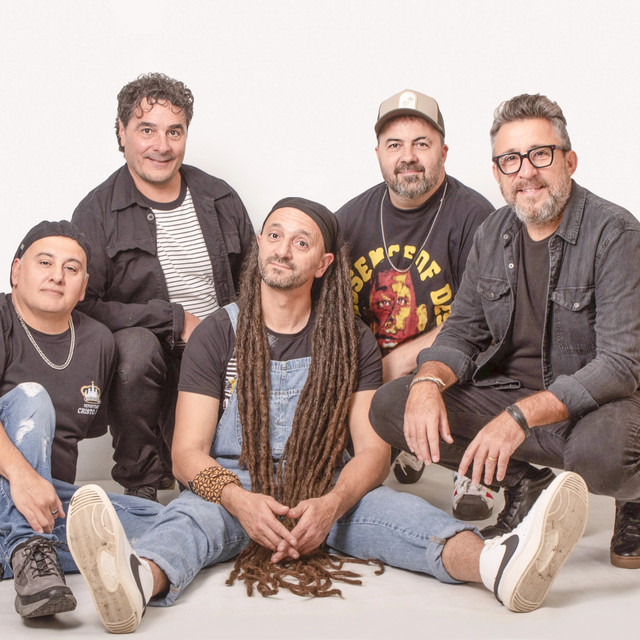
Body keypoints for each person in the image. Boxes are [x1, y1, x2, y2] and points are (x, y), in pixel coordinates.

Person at [65, 198, 588, 634]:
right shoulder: (217, 333)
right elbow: (186, 454)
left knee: (406, 517)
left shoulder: (350, 339)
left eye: (301, 242)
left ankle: (498, 566)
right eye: (274, 235)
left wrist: (333, 504)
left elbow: (373, 452)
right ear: (259, 246)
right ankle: (136, 583)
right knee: (189, 521)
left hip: (326, 485)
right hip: (235, 485)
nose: (282, 249)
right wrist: (239, 501)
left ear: (323, 264)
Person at [370, 93, 640, 569]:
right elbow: (462, 331)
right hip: (513, 396)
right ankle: (524, 484)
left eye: (540, 154)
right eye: (510, 160)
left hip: (597, 406)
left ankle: (633, 497)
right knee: (393, 403)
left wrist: (518, 417)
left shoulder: (615, 233)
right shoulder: (493, 233)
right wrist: (428, 382)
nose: (526, 172)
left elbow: (620, 366)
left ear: (569, 161)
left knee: (602, 455)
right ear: (497, 173)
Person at [72, 73, 255, 501]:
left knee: (217, 481)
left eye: (174, 131)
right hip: (151, 361)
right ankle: (142, 485)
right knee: (134, 349)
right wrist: (173, 319)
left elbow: (255, 282)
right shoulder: (96, 212)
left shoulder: (219, 198)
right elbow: (83, 306)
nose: (162, 145)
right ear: (121, 133)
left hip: (223, 354)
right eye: (147, 130)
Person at [336, 89, 495, 519]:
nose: (408, 156)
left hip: (450, 368)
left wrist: (400, 361)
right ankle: (402, 439)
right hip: (372, 368)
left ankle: (471, 466)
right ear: (378, 154)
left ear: (444, 151)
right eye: (395, 145)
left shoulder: (476, 218)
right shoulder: (349, 219)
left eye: (421, 143)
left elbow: (484, 321)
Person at [0, 221, 162, 620]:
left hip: (51, 502)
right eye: (45, 262)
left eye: (71, 268)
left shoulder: (98, 341)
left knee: (162, 520)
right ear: (16, 271)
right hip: (10, 485)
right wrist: (22, 476)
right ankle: (28, 548)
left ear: (84, 286)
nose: (58, 275)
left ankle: (21, 550)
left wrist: (38, 488)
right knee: (32, 398)